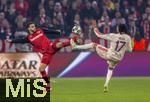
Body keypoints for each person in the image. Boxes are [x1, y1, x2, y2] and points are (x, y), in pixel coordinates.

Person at [6, 22, 81, 92]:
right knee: (41, 69)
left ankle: (74, 40)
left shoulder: (40, 30)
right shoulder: (29, 38)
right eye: (32, 27)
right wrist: (11, 41)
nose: (34, 27)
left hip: (51, 46)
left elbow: (48, 31)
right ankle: (48, 86)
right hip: (46, 54)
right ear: (28, 28)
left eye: (34, 26)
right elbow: (20, 40)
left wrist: (57, 32)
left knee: (59, 44)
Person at [70, 20, 133, 93]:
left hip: (110, 55)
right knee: (110, 68)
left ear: (119, 29)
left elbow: (99, 35)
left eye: (117, 27)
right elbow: (130, 50)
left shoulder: (114, 36)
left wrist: (95, 27)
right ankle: (106, 85)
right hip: (118, 58)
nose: (116, 28)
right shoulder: (128, 38)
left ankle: (75, 47)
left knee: (93, 45)